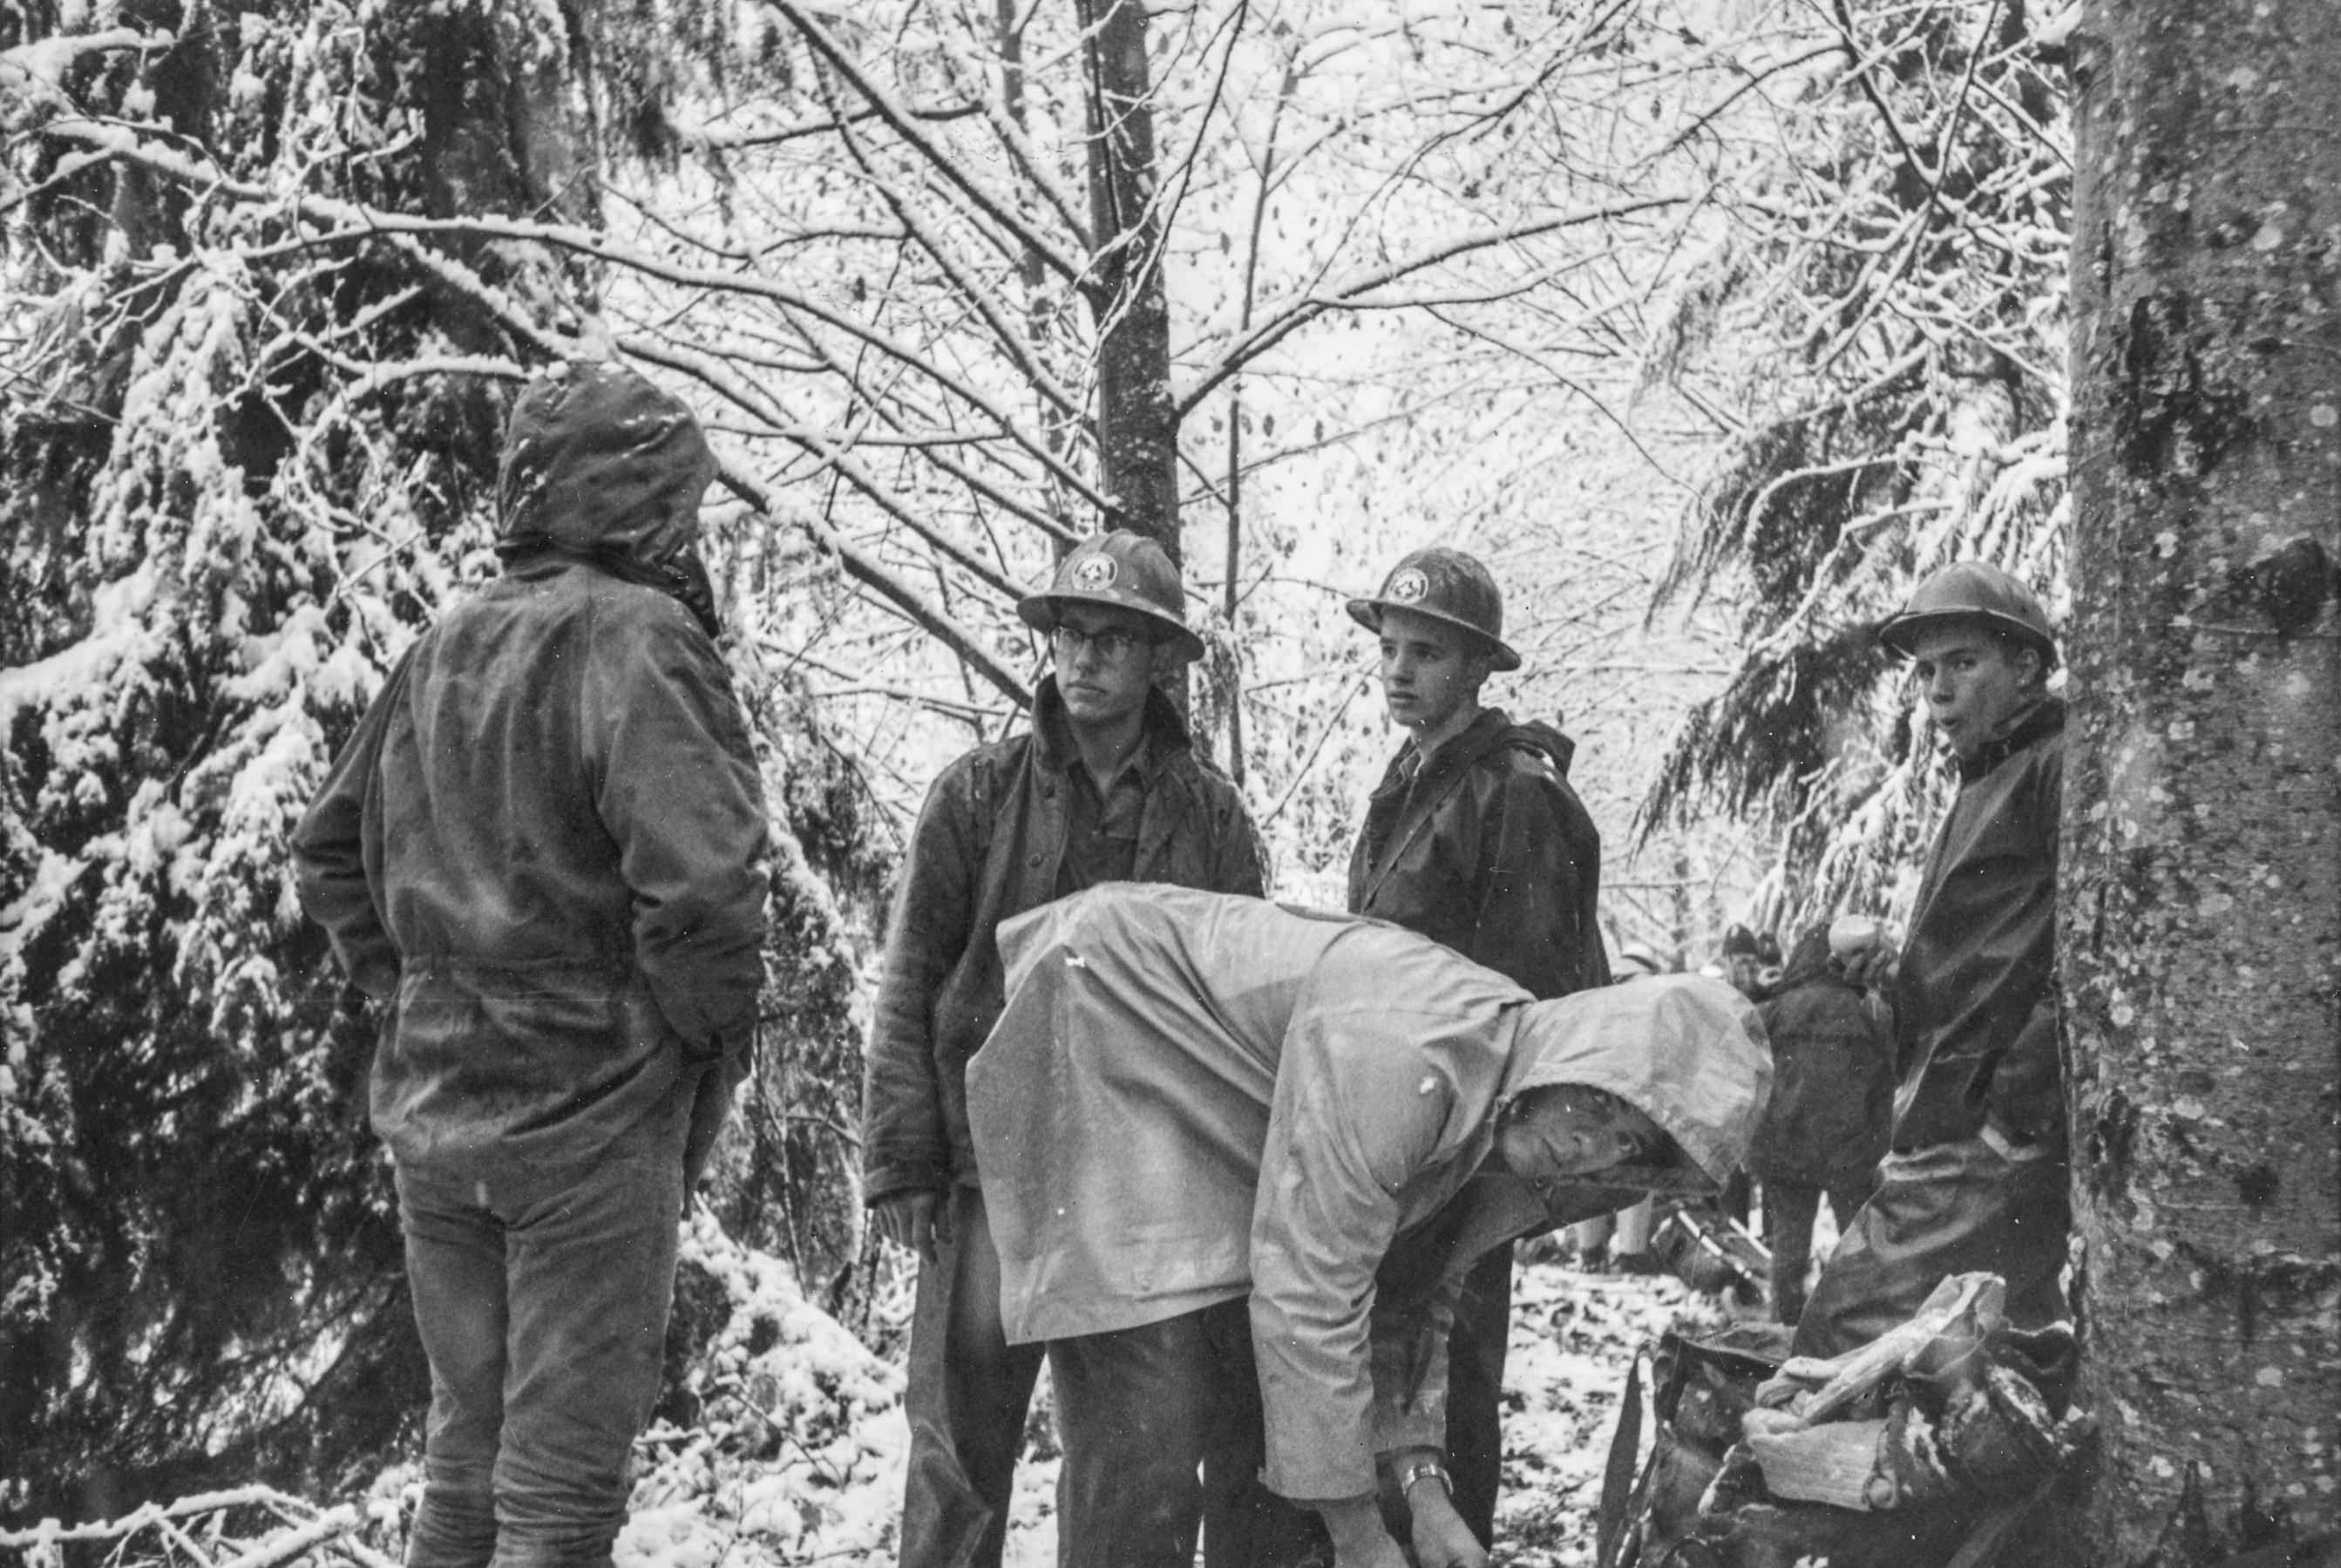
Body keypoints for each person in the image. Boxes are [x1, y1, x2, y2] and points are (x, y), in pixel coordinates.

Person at [291, 362, 770, 1568]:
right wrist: (696, 1043)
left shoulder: (446, 641)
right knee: (556, 1494)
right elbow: (705, 892)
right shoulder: (641, 637)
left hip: (438, 1115)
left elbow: (327, 854)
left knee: (465, 1462)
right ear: (648, 502)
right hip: (590, 1114)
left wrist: (415, 996)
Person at [967, 886, 1772, 1568]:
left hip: (1216, 1129)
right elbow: (1309, 1287)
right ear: (1579, 1053)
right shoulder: (1408, 1055)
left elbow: (1409, 1291)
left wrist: (1421, 1485)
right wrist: (1357, 1532)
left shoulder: (1504, 1123)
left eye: (1624, 1141)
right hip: (1109, 1021)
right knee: (1154, 1423)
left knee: (1266, 1433)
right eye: (1597, 1101)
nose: (1588, 1144)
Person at [861, 532, 1266, 1568]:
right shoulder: (975, 796)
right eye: (1070, 635)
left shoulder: (1210, 816)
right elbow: (912, 978)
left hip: (1142, 1184)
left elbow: (1240, 1005)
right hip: (990, 1167)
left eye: (1113, 640)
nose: (1083, 660)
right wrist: (902, 1158)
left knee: (1141, 1464)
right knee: (957, 1454)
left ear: (1157, 659)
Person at [1341, 546, 1608, 1547]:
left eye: (1427, 653)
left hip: (1462, 1134)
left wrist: (1476, 1137)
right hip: (1388, 1127)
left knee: (1448, 1374)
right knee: (1386, 1370)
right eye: (1391, 650)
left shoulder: (1514, 793)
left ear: (1478, 669)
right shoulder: (1410, 780)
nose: (1399, 671)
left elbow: (1528, 996)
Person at [1793, 560, 2068, 1359]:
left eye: (1962, 662)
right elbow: (1994, 956)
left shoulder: (2055, 763)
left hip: (1983, 1139)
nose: (1936, 692)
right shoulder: (1991, 774)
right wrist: (1896, 976)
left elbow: (2086, 960)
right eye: (1925, 672)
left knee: (1836, 1340)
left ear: (2026, 667)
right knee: (1988, 1374)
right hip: (1962, 1125)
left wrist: (2010, 1108)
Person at [1749, 920, 1895, 1325]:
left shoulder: (1772, 1012)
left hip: (1784, 1152)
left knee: (1788, 1250)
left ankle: (1783, 1326)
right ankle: (1857, 1325)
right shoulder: (1866, 1011)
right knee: (1858, 1246)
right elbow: (1891, 1075)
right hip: (1851, 1153)